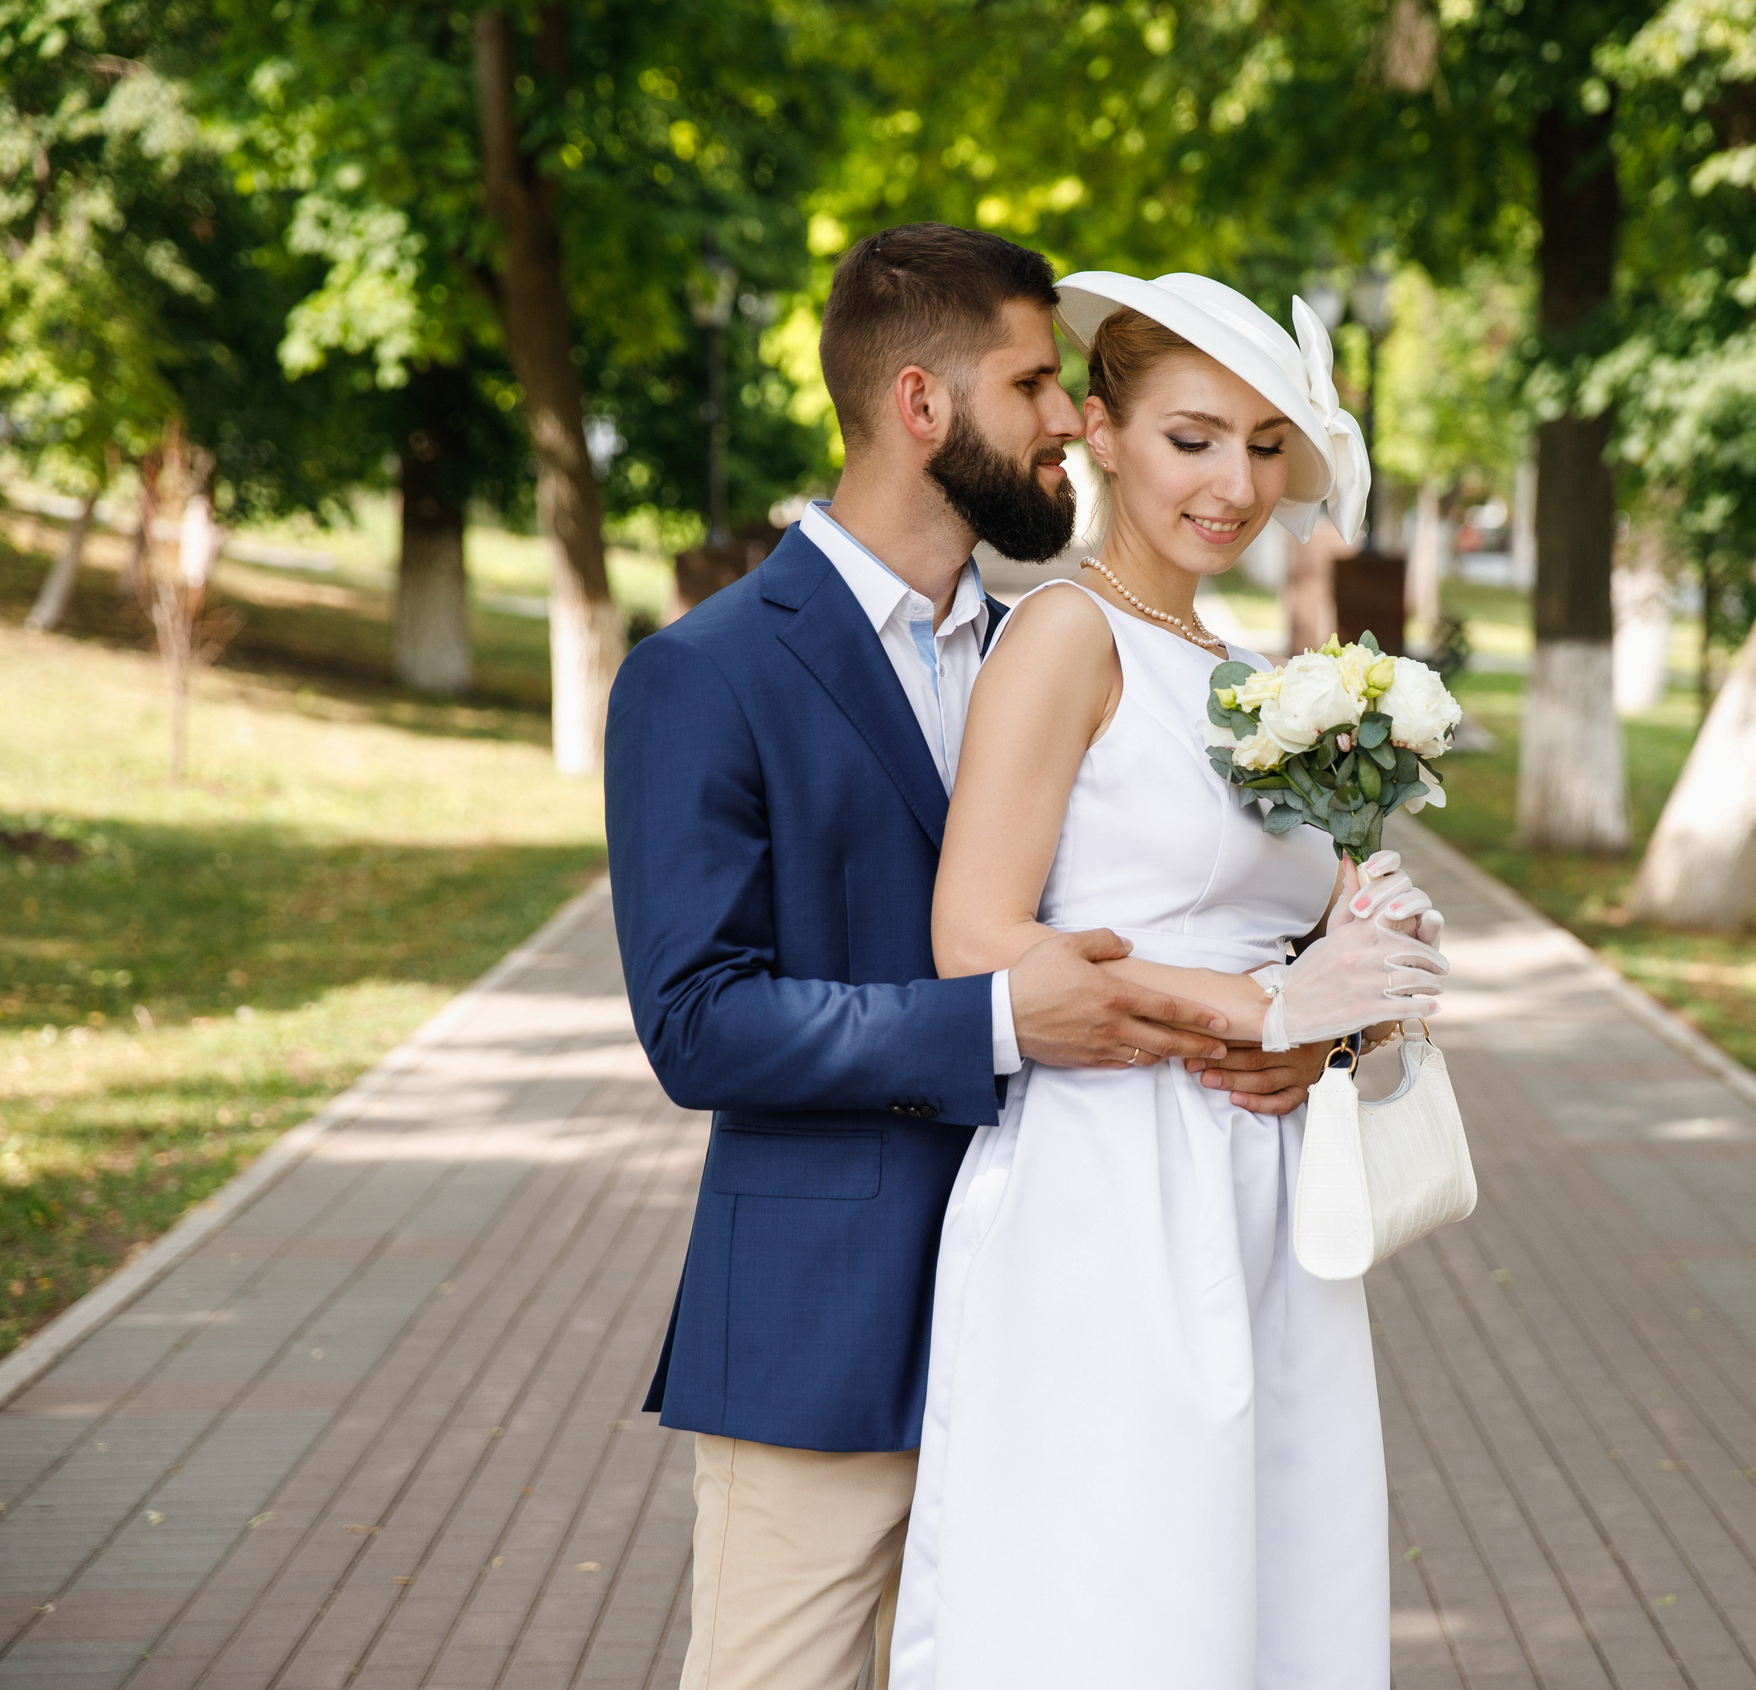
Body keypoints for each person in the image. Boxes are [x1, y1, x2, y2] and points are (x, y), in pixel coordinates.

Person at [602, 227, 1439, 1690]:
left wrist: (1333, 1018)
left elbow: (1215, 910)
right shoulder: (708, 671)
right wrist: (1004, 1017)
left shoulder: (1074, 640)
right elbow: (698, 1024)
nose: (1067, 417)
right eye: (1037, 385)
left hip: (1123, 1266)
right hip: (842, 1307)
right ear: (924, 404)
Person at [890, 271, 1446, 1690]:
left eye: (1268, 446)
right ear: (1103, 431)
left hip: (1268, 1197)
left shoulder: (1258, 675)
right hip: (1109, 1186)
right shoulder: (1067, 637)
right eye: (1195, 437)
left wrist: (1350, 996)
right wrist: (1256, 1011)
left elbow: (1311, 946)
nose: (1235, 482)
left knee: (1273, 1596)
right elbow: (977, 940)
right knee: (1124, 1598)